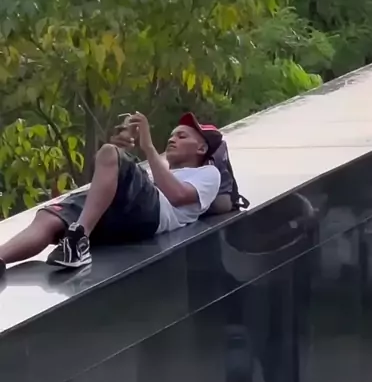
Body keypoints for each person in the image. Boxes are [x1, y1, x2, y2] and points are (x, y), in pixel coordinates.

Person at [0, 112, 222, 274]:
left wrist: (146, 148)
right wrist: (119, 150)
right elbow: (106, 180)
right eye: (172, 136)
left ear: (201, 148)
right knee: (51, 217)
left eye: (182, 137)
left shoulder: (208, 173)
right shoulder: (158, 169)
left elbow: (177, 196)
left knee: (109, 153)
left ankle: (78, 240)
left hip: (154, 216)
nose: (172, 139)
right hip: (122, 216)